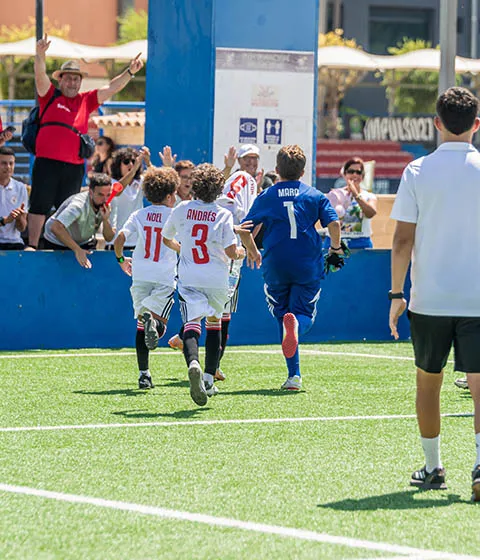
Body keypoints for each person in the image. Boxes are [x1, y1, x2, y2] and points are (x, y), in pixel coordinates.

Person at [389, 86, 480, 501]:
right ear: (476, 125)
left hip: (429, 300)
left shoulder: (417, 171)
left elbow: (402, 241)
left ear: (436, 123)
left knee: (428, 384)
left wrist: (396, 293)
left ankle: (432, 467)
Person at [239, 145, 343, 391]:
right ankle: (296, 334)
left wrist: (253, 251)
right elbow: (335, 224)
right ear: (303, 171)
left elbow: (243, 228)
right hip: (307, 263)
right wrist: (335, 250)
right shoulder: (315, 195)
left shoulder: (267, 195)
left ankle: (294, 375)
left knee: (282, 314)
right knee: (302, 315)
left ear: (277, 170)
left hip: (276, 263)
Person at [28, 33, 143, 250]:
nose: (72, 82)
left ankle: (67, 245)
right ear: (60, 79)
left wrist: (130, 72)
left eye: (76, 78)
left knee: (71, 207)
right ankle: (33, 246)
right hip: (46, 162)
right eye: (68, 78)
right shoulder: (49, 95)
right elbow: (39, 75)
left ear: (81, 81)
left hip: (73, 166)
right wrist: (40, 55)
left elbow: (111, 88)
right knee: (39, 205)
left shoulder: (86, 100)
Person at [162, 164, 245, 407]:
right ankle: (208, 379)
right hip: (217, 278)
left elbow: (167, 238)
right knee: (214, 323)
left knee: (191, 323)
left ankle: (193, 363)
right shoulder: (223, 214)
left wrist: (182, 248)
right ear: (219, 190)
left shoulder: (182, 208)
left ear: (195, 186)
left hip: (189, 276)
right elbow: (231, 250)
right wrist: (241, 252)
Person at [114, 167, 179, 390]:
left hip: (140, 273)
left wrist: (122, 260)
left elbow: (119, 238)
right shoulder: (175, 215)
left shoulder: (139, 214)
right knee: (159, 324)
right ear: (170, 195)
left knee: (141, 325)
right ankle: (155, 327)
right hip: (164, 275)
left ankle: (144, 375)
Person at [43, 173, 114, 268]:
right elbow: (55, 227)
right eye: (100, 195)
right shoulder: (78, 205)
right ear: (91, 192)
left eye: (108, 195)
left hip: (83, 240)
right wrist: (77, 250)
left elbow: (109, 238)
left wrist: (105, 220)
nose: (105, 199)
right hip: (57, 240)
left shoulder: (108, 205)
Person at [325, 158, 377, 249]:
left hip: (361, 243)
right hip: (335, 242)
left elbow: (371, 213)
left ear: (363, 176)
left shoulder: (369, 196)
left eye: (358, 172)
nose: (354, 175)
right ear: (344, 174)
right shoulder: (335, 194)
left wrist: (356, 195)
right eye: (351, 171)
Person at [108, 147, 151, 250]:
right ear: (118, 165)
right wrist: (133, 171)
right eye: (126, 162)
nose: (131, 164)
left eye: (134, 161)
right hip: (115, 242)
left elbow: (157, 181)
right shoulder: (110, 182)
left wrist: (148, 163)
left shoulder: (141, 180)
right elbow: (117, 191)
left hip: (137, 242)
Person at [0, 147, 28, 250]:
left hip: (14, 243)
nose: (8, 167)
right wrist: (6, 220)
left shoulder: (20, 188)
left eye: (11, 163)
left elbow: (22, 228)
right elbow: (7, 220)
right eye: (3, 163)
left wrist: (19, 218)